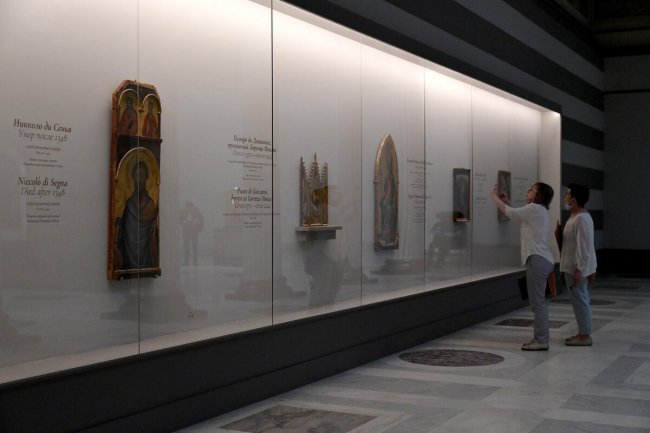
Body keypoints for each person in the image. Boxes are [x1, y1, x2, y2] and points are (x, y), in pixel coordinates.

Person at [491, 182, 555, 351]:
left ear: (539, 195)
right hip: (541, 259)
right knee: (538, 302)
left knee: (537, 303)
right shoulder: (538, 210)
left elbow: (511, 213)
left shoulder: (534, 208)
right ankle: (540, 338)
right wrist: (505, 202)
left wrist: (494, 197)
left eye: (532, 190)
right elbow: (517, 215)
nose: (528, 191)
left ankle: (541, 340)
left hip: (537, 259)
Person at [560, 183, 597, 346]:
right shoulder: (575, 217)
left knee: (580, 300)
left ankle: (585, 335)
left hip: (576, 268)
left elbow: (584, 247)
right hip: (571, 266)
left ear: (574, 199)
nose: (565, 197)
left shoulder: (581, 218)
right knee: (578, 300)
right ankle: (582, 332)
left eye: (567, 194)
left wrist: (578, 269)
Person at [117, 161, 159, 270]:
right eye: (137, 175)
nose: (139, 179)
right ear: (132, 177)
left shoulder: (150, 204)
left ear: (147, 178)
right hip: (128, 255)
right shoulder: (129, 204)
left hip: (146, 256)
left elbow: (153, 233)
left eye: (142, 175)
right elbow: (123, 231)